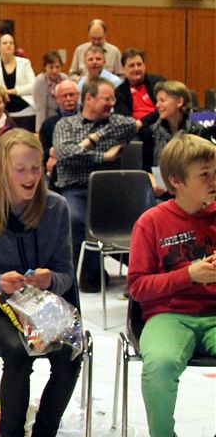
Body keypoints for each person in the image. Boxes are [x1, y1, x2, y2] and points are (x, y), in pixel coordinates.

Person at [0, 128, 81, 437]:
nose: (31, 176)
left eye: (36, 168)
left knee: (70, 354)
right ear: (2, 170)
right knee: (18, 352)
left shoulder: (56, 207)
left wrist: (50, 279)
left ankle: (44, 432)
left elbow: (67, 274)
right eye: (21, 169)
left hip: (43, 308)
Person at [127, 133, 215, 437]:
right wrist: (188, 275)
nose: (214, 180)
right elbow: (138, 287)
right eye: (205, 174)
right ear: (176, 181)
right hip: (168, 315)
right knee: (160, 366)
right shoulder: (151, 222)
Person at [53, 77, 138, 292]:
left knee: (145, 216)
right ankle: (89, 275)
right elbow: (65, 154)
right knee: (74, 218)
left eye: (113, 98)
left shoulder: (116, 122)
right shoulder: (66, 124)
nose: (112, 102)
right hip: (76, 188)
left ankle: (140, 276)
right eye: (106, 98)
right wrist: (103, 155)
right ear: (89, 99)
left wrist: (90, 141)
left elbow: (131, 124)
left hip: (110, 192)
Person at [150, 81, 213, 169]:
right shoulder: (152, 132)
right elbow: (146, 169)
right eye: (157, 101)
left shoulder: (199, 132)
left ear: (179, 102)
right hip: (159, 181)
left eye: (162, 100)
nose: (157, 105)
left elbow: (207, 166)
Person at [0, 34, 36, 130]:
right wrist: (1, 92)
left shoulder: (24, 63)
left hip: (25, 110)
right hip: (1, 110)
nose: (8, 45)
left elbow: (33, 86)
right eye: (5, 43)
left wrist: (11, 91)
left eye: (11, 43)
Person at [38, 79, 80, 189]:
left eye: (72, 95)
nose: (69, 99)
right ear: (57, 99)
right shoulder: (48, 124)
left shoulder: (90, 120)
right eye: (64, 96)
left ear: (79, 96)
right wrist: (51, 152)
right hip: (54, 175)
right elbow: (42, 152)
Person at [32, 50, 69, 131]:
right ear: (45, 67)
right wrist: (40, 130)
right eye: (51, 67)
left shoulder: (64, 78)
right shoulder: (40, 81)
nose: (54, 70)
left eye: (57, 67)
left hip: (64, 120)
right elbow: (40, 109)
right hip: (49, 121)